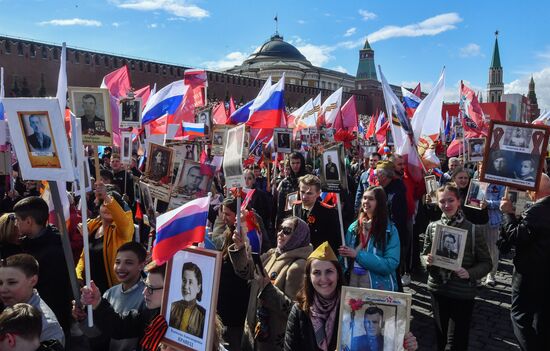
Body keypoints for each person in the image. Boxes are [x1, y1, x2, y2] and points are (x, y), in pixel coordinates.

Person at [284, 242, 418, 351]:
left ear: (338, 274)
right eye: (317, 273)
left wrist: (405, 345)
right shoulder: (299, 311)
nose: (323, 279)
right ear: (309, 277)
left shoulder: (353, 307)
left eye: (329, 271)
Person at [422, 183, 492, 350]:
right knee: (440, 336)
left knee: (456, 342)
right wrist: (427, 260)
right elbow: (423, 254)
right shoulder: (432, 227)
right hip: (438, 289)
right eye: (442, 201)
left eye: (451, 200)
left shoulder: (473, 230)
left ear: (459, 201)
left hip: (462, 292)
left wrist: (469, 272)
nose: (446, 205)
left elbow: (486, 263)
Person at [229, 216, 312, 350]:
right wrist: (240, 248)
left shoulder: (299, 266)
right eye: (280, 229)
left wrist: (267, 288)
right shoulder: (272, 254)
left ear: (298, 236)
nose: (280, 233)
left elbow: (294, 312)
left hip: (271, 341)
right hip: (253, 333)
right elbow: (246, 273)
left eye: (286, 231)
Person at [498, 173, 550, 350]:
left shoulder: (538, 209)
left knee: (519, 317)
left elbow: (516, 236)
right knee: (542, 319)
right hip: (544, 274)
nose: (527, 193)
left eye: (529, 190)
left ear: (534, 192)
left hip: (529, 274)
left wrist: (508, 214)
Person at [13, 196, 73, 337]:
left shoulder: (54, 250)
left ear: (29, 221)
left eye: (17, 219)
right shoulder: (28, 242)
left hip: (48, 321)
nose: (15, 224)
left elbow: (54, 293)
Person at [78, 263, 168, 351]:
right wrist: (97, 302)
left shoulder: (179, 327)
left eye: (151, 288)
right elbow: (119, 326)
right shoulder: (149, 312)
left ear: (171, 288)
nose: (144, 292)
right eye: (146, 285)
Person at [76, 182, 134, 294]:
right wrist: (78, 275)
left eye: (111, 206)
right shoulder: (93, 227)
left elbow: (124, 221)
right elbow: (85, 257)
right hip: (91, 290)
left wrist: (106, 197)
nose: (107, 208)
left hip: (113, 291)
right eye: (104, 204)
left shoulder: (123, 230)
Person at [339, 186, 400, 291]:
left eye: (371, 199)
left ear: (380, 203)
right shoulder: (354, 227)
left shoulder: (390, 230)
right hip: (353, 286)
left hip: (378, 288)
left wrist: (358, 255)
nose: (366, 201)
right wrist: (343, 256)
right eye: (364, 198)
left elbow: (390, 264)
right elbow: (344, 262)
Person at [0, 254, 65, 345]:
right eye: (0, 283)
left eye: (12, 282)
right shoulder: (11, 303)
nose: (2, 289)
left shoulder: (47, 325)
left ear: (33, 281)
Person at [291, 175, 341, 253]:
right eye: (302, 192)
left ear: (318, 193)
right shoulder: (295, 207)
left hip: (318, 256)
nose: (304, 197)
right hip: (298, 253)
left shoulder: (329, 212)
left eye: (309, 193)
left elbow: (334, 242)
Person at [168, 262, 206, 338]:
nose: (186, 286)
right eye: (184, 281)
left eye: (190, 282)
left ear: (198, 287)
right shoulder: (171, 307)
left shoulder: (203, 316)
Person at [276, 152, 307, 226]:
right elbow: (281, 206)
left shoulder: (308, 179)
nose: (295, 165)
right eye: (293, 163)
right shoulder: (285, 182)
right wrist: (279, 225)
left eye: (298, 163)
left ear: (302, 163)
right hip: (289, 220)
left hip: (305, 218)